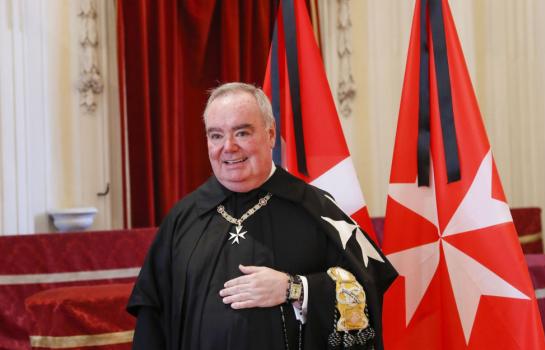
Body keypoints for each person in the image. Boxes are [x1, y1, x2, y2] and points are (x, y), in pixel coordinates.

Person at [127, 82, 397, 350]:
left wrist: (296, 289)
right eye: (216, 135)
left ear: (270, 135)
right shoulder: (182, 219)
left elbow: (367, 287)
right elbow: (152, 321)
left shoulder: (315, 209)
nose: (228, 147)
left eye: (242, 133)